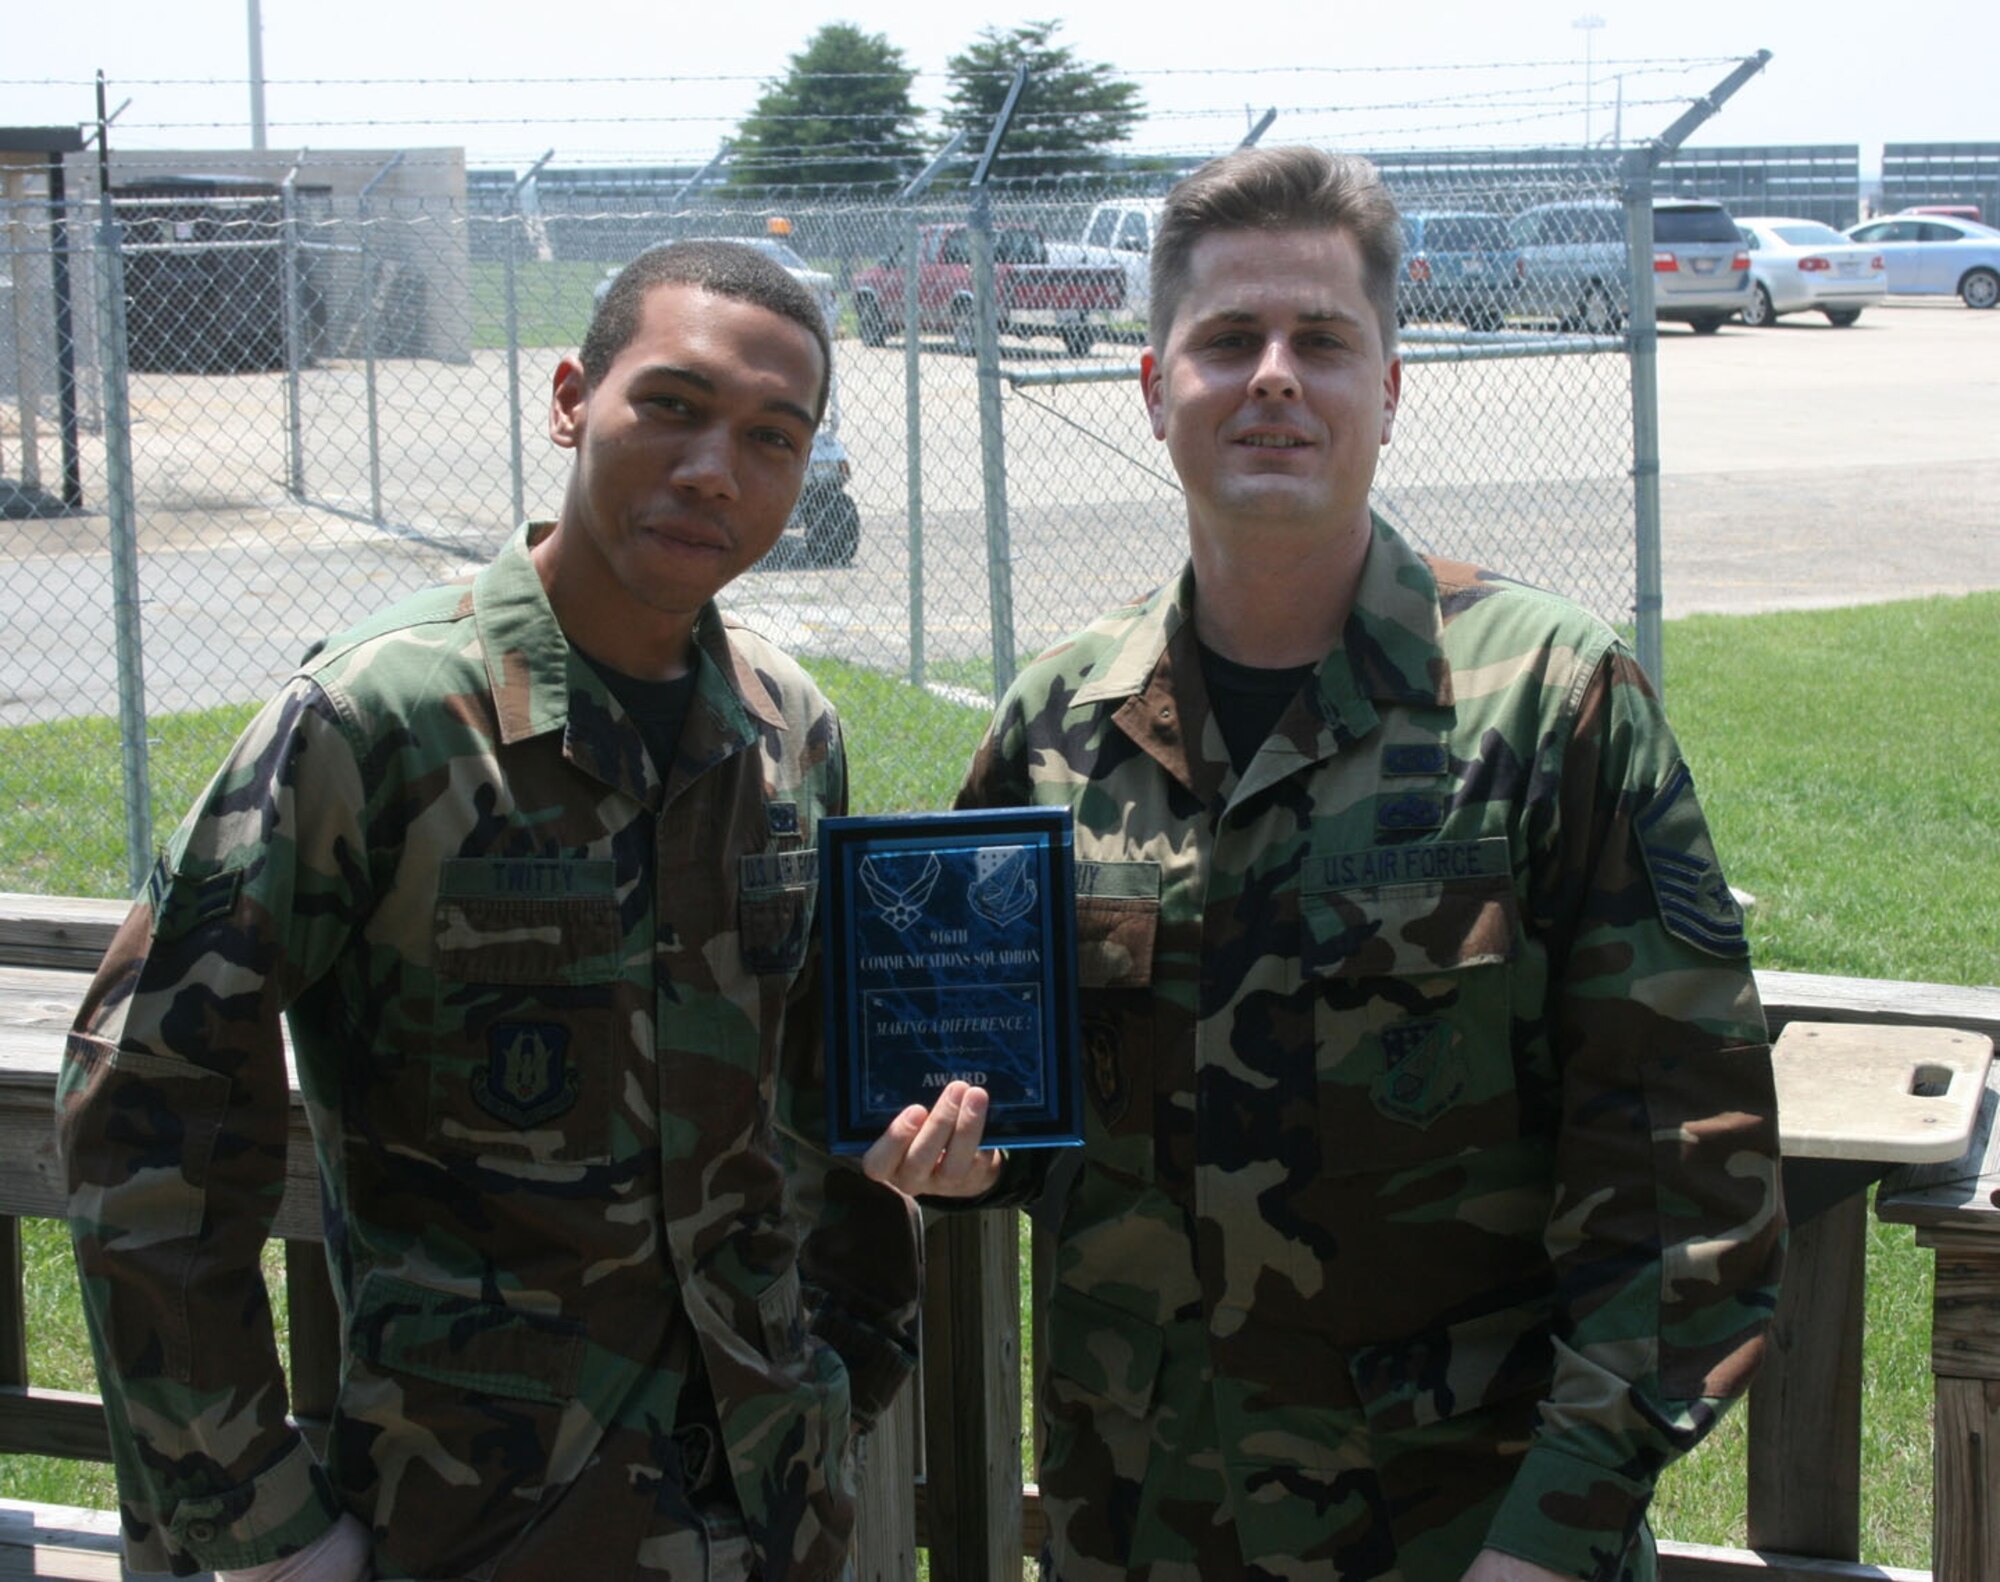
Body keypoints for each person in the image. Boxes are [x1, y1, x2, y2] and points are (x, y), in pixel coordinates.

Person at [866, 147, 1783, 1582]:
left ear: (1392, 389)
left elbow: (1687, 1188)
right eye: (1228, 339)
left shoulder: (1550, 704)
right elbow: (1023, 1113)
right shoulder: (1057, 725)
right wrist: (957, 1155)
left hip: (1462, 1539)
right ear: (1155, 386)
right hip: (1139, 1528)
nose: (1274, 375)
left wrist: (1548, 1541)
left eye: (1323, 341)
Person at [58, 241, 922, 1582]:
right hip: (473, 1517)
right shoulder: (377, 722)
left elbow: (817, 1097)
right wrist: (261, 1523)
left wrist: (844, 1363)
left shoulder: (785, 733)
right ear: (573, 396)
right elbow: (145, 1106)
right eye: (673, 406)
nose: (716, 469)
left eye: (772, 434)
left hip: (765, 1514)